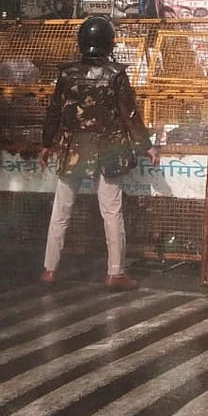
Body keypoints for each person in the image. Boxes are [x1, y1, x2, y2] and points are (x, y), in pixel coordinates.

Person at [39, 16, 158, 290]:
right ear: (109, 43)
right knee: (112, 212)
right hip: (109, 149)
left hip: (73, 148)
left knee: (61, 210)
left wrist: (46, 143)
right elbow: (129, 114)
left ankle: (50, 269)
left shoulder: (67, 74)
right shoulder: (115, 75)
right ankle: (116, 273)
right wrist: (146, 146)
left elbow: (54, 111)